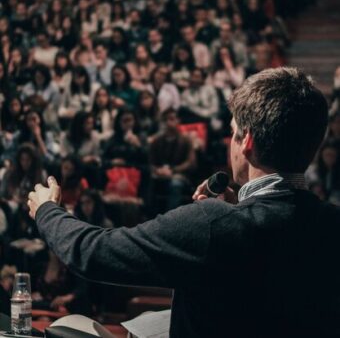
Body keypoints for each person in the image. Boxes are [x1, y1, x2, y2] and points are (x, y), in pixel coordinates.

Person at [27, 74, 335, 334]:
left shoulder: (211, 224)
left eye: (232, 132)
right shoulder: (330, 223)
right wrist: (239, 208)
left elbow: (93, 253)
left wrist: (47, 210)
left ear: (247, 141)